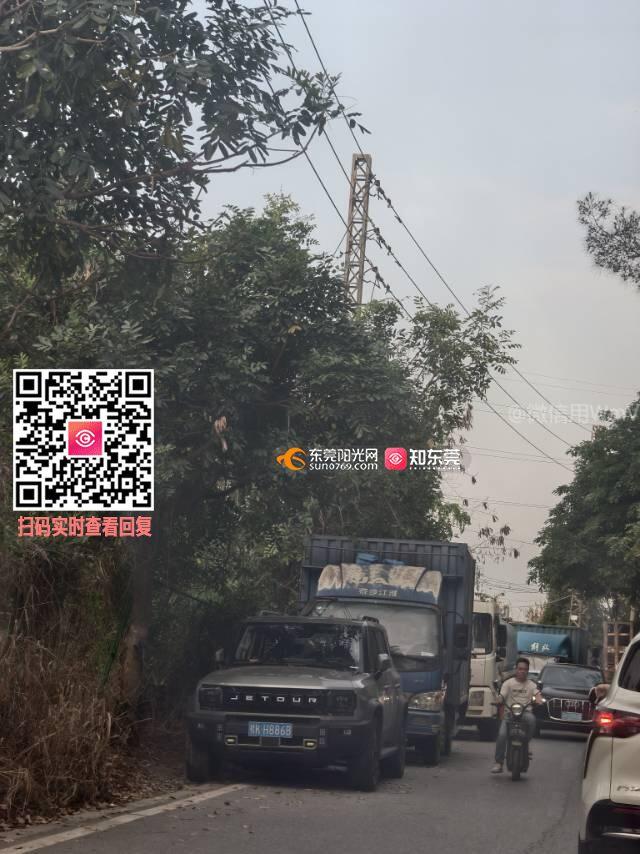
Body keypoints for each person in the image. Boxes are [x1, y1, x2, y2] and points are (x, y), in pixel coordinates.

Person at [491, 656, 544, 774]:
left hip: (525, 713)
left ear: (528, 671)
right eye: (520, 669)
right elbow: (502, 695)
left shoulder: (531, 685)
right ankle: (498, 763)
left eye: (525, 669)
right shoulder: (508, 683)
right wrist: (498, 700)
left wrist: (539, 699)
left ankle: (526, 743)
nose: (522, 671)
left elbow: (537, 694)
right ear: (516, 669)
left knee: (532, 720)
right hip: (510, 714)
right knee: (501, 735)